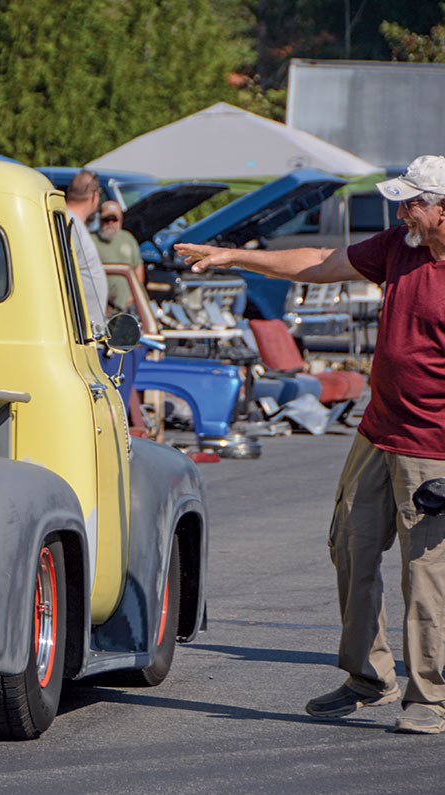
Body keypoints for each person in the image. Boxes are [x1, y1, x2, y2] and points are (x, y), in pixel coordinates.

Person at [174, 154, 445, 735]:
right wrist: (237, 257)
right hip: (379, 432)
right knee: (349, 544)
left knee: (425, 572)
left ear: (444, 211)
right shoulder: (400, 246)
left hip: (433, 448)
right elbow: (321, 261)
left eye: (413, 203)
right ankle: (368, 678)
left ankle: (431, 698)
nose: (402, 212)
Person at [64, 170, 109, 333]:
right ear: (94, 196)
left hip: (85, 332)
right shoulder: (69, 222)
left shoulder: (70, 221)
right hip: (79, 333)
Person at [94, 200, 144, 283]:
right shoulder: (91, 240)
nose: (110, 223)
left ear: (121, 220)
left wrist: (134, 294)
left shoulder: (128, 239)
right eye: (106, 219)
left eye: (114, 219)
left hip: (127, 296)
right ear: (99, 219)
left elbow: (138, 267)